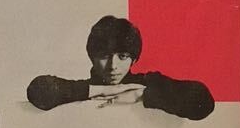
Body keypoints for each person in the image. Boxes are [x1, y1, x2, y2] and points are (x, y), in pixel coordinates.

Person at [26, 16, 214, 120]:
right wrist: (105, 90)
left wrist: (141, 95)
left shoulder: (144, 84)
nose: (113, 66)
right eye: (104, 56)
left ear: (134, 60)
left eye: (122, 56)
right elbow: (38, 90)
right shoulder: (83, 88)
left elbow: (202, 101)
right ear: (92, 56)